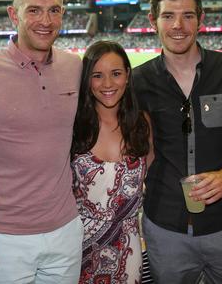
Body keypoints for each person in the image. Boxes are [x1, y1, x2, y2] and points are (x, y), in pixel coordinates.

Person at [131, 0, 222, 284]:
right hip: (165, 229)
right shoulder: (138, 80)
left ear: (201, 20)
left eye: (188, 16)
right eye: (168, 16)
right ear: (153, 21)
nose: (178, 25)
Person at [0, 0, 83, 283]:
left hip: (65, 231)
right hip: (5, 236)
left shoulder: (75, 67)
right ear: (13, 15)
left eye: (54, 10)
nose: (46, 20)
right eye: (34, 10)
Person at [70, 41, 154, 282]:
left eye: (115, 74)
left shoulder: (142, 124)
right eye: (97, 76)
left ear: (128, 75)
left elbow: (152, 173)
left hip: (128, 248)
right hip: (77, 247)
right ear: (87, 80)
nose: (107, 84)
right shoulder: (74, 126)